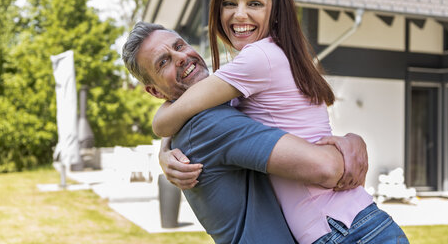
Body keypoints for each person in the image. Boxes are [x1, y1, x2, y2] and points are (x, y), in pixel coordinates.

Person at [152, 0, 409, 244]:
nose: (239, 15)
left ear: (275, 11)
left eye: (254, 3)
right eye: (229, 3)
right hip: (354, 223)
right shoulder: (277, 54)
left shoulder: (258, 59)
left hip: (340, 230)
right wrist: (164, 152)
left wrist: (163, 140)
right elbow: (194, 107)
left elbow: (170, 118)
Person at [122, 21, 369, 244]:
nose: (181, 57)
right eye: (163, 61)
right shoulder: (209, 124)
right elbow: (328, 167)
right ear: (155, 92)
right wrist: (352, 145)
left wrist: (163, 148)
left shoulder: (209, 110)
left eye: (179, 45)